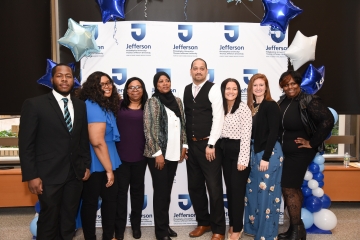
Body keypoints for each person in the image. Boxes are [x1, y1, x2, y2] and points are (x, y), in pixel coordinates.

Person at [19, 64, 91, 240]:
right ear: (52, 80)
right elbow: (26, 144)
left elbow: (82, 139)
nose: (64, 79)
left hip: (74, 174)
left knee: (69, 220)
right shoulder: (34, 105)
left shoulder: (80, 105)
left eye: (68, 76)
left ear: (73, 80)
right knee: (49, 219)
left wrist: (86, 165)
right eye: (60, 76)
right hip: (47, 175)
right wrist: (31, 175)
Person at [277, 70, 334, 240]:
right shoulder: (283, 101)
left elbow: (328, 120)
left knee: (289, 187)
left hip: (300, 152)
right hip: (287, 152)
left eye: (293, 83)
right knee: (291, 187)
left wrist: (312, 142)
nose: (290, 87)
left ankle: (296, 230)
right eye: (286, 84)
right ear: (282, 87)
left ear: (299, 84)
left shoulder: (308, 100)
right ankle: (297, 229)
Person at [183, 58, 226, 240]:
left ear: (207, 71)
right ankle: (203, 222)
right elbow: (186, 119)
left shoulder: (214, 88)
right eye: (195, 68)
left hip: (209, 146)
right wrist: (185, 145)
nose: (198, 71)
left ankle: (218, 229)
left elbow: (218, 117)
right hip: (192, 146)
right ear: (191, 71)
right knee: (195, 187)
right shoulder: (186, 89)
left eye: (202, 69)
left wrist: (212, 144)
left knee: (214, 189)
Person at [76, 71, 122, 240]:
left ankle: (109, 236)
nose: (107, 86)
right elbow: (96, 140)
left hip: (108, 158)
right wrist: (109, 170)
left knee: (110, 203)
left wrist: (110, 167)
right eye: (102, 84)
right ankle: (90, 237)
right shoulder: (92, 105)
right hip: (97, 162)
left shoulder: (105, 105)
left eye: (109, 83)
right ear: (94, 88)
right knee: (90, 203)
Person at [143, 71, 187, 240]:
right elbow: (149, 130)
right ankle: (160, 232)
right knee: (161, 193)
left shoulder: (177, 101)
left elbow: (183, 124)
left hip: (174, 153)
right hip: (159, 155)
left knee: (166, 192)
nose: (165, 84)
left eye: (167, 80)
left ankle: (165, 225)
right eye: (161, 81)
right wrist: (157, 154)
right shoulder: (152, 102)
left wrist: (184, 145)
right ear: (156, 85)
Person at [243, 73, 283, 240]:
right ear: (251, 88)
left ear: (266, 87)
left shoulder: (271, 105)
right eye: (255, 85)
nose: (258, 88)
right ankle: (254, 228)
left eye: (261, 85)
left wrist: (266, 157)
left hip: (269, 153)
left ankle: (266, 234)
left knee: (267, 195)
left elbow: (274, 132)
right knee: (252, 193)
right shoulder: (250, 107)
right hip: (253, 153)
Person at [217, 78, 252, 240]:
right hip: (224, 151)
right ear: (223, 90)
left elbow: (246, 136)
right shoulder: (220, 108)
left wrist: (243, 160)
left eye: (234, 89)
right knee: (230, 191)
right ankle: (232, 222)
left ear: (239, 92)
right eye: (228, 88)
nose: (231, 91)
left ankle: (237, 228)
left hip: (239, 152)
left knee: (237, 192)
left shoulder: (243, 108)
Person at [114, 77, 149, 240]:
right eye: (131, 87)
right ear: (126, 90)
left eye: (138, 87)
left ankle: (136, 226)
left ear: (143, 90)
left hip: (140, 158)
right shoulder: (118, 105)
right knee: (120, 195)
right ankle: (119, 229)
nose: (135, 90)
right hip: (120, 158)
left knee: (137, 194)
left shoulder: (149, 107)